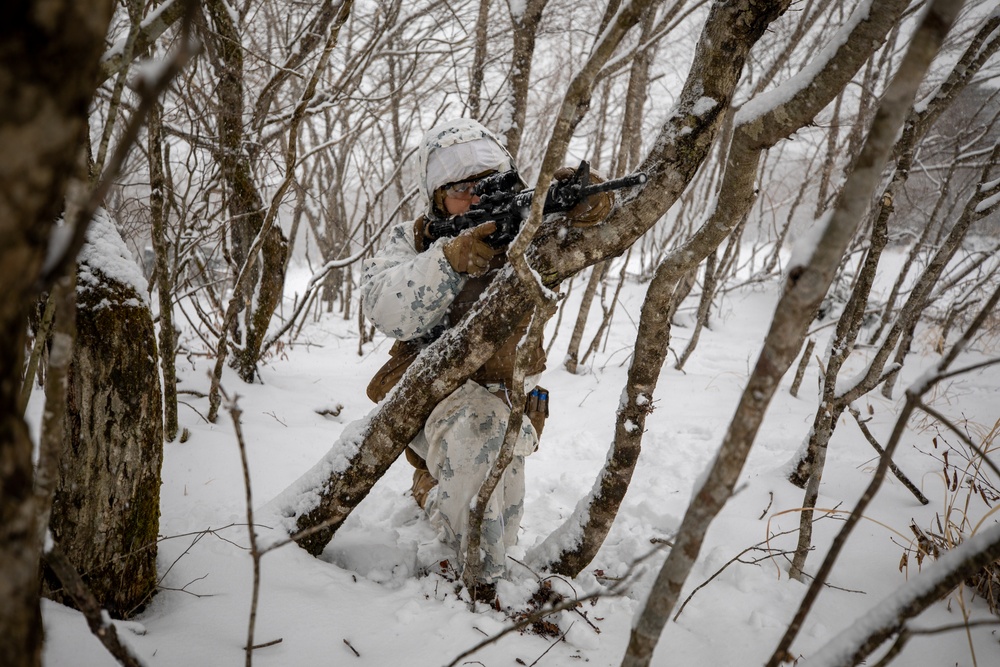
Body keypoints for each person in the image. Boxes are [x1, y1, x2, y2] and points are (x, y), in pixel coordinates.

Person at [359, 118, 610, 601]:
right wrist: (448, 260)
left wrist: (592, 199)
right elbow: (386, 309)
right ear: (436, 198)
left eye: (486, 184)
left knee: (499, 516)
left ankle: (433, 491)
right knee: (481, 525)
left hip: (510, 399)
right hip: (430, 400)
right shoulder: (414, 242)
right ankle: (474, 571)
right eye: (459, 190)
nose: (475, 199)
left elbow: (602, 222)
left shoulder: (529, 226)